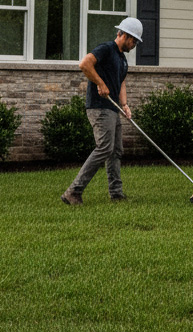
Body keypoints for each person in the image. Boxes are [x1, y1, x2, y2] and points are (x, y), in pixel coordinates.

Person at [61, 18, 142, 204]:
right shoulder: (106, 49)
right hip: (99, 107)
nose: (135, 44)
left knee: (115, 151)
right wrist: (100, 83)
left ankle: (116, 193)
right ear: (124, 35)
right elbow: (85, 64)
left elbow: (121, 82)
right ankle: (73, 191)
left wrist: (125, 105)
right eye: (134, 40)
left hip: (112, 108)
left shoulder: (122, 59)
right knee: (105, 147)